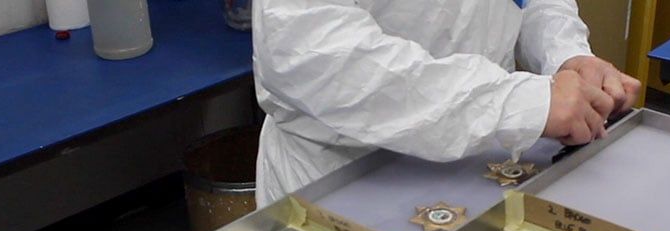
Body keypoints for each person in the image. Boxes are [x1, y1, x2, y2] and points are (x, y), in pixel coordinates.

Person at [252, 0, 641, 205]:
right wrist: (514, 105)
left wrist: (567, 55)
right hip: (343, 176)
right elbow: (312, 53)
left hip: (478, 161)